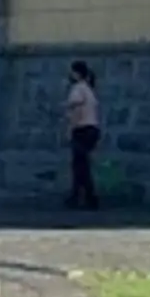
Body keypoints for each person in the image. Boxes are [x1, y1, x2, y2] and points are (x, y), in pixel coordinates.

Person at [63, 61, 103, 210]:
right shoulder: (88, 89)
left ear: (77, 73)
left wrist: (70, 129)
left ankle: (85, 197)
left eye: (72, 72)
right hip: (91, 129)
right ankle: (81, 196)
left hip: (82, 129)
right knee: (82, 165)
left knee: (80, 166)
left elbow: (76, 111)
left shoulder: (78, 89)